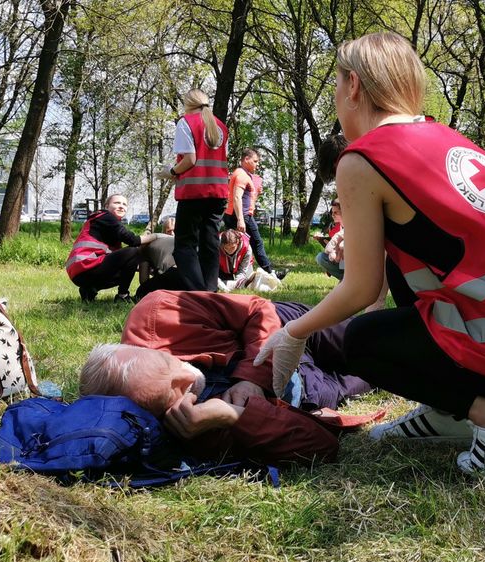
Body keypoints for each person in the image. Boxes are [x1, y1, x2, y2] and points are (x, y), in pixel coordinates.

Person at [252, 32, 485, 477]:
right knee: (402, 268)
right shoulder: (441, 134)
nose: (336, 96)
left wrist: (293, 334)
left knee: (360, 342)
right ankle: (447, 410)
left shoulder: (361, 160)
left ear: (353, 85)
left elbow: (360, 290)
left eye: (336, 83)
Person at [78, 290, 375, 465]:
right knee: (376, 371)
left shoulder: (158, 310)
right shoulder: (187, 424)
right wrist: (233, 417)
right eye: (178, 392)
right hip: (308, 389)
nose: (188, 376)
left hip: (286, 326)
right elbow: (321, 446)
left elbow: (258, 309)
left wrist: (252, 378)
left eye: (170, 361)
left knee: (368, 339)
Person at [159, 89, 228, 292]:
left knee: (184, 246)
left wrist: (171, 171)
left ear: (187, 103)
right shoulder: (221, 126)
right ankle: (210, 291)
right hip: (218, 193)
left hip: (194, 193)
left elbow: (190, 159)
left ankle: (197, 294)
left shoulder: (186, 122)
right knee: (210, 243)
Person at [65, 193, 152, 302]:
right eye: (117, 203)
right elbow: (132, 240)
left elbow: (122, 260)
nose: (121, 206)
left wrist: (135, 266)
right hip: (85, 266)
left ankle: (89, 289)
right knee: (133, 251)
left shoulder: (107, 222)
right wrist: (156, 236)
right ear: (106, 206)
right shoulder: (105, 216)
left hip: (79, 273)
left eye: (124, 204)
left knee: (129, 263)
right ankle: (123, 296)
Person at [224, 149, 282, 278]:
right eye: (255, 161)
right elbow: (237, 198)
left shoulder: (241, 174)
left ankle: (228, 274)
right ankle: (270, 273)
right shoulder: (241, 175)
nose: (257, 164)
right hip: (241, 216)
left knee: (232, 244)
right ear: (246, 159)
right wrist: (241, 219)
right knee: (256, 243)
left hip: (234, 214)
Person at [315, 199, 345, 280]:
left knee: (321, 257)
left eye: (336, 212)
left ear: (344, 212)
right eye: (332, 212)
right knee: (321, 257)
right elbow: (332, 244)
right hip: (341, 261)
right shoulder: (337, 227)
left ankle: (347, 281)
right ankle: (345, 280)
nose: (333, 215)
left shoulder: (351, 227)